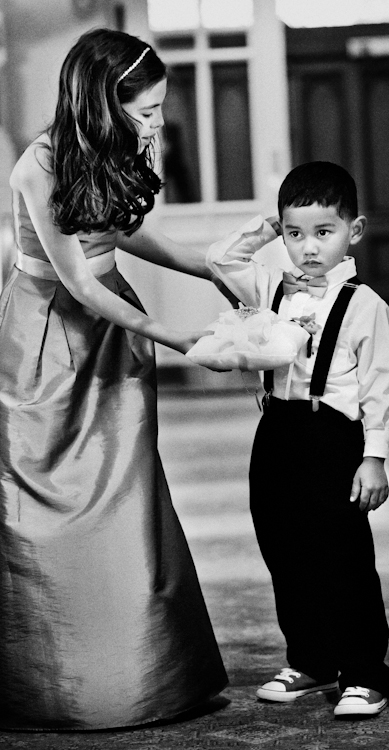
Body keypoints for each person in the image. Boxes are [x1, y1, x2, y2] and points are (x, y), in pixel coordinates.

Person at [0, 29, 229, 731]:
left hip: (115, 318)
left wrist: (208, 267)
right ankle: (57, 682)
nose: (159, 121)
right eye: (149, 108)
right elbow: (76, 280)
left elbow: (117, 231)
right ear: (103, 101)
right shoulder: (35, 166)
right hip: (48, 330)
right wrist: (177, 336)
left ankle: (148, 671)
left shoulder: (118, 145)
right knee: (49, 501)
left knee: (127, 488)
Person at [206, 161, 389, 717]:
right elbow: (222, 257)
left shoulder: (367, 306)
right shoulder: (272, 287)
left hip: (334, 434)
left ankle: (363, 672)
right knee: (282, 546)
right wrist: (272, 226)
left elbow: (379, 388)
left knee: (343, 555)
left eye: (324, 232)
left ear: (353, 232)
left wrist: (374, 459)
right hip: (277, 429)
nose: (309, 248)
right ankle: (311, 659)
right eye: (296, 234)